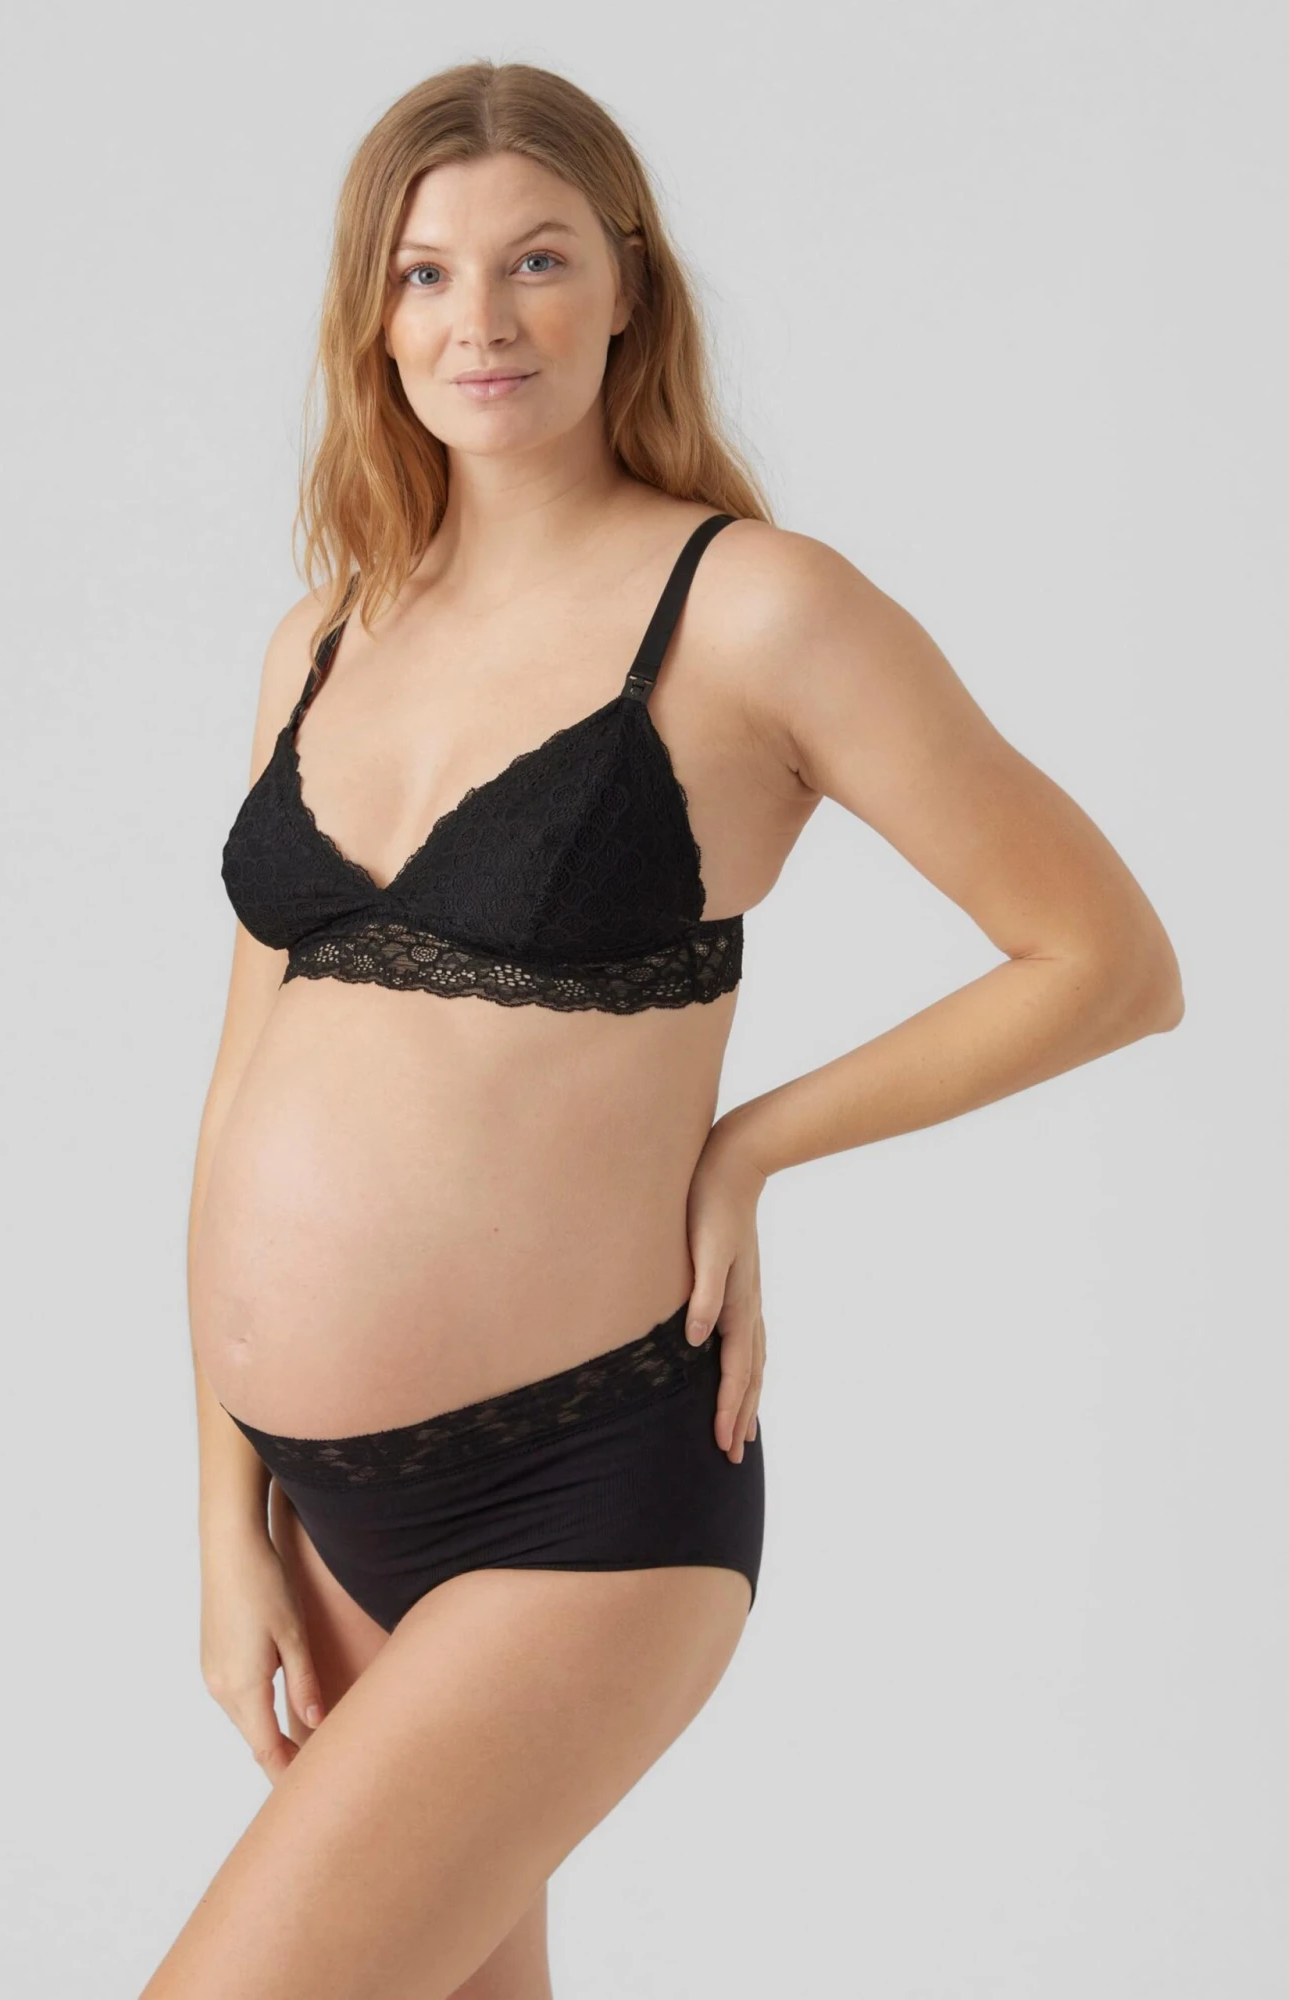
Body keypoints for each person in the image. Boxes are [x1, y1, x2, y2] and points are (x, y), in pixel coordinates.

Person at [141, 58, 1184, 2000]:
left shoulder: (754, 611)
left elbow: (1107, 958)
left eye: (536, 261)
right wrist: (224, 1523)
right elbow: (236, 1100)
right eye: (426, 273)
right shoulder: (325, 636)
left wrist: (751, 1142)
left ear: (628, 284)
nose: (481, 320)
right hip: (324, 1512)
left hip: (582, 1496)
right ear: (373, 314)